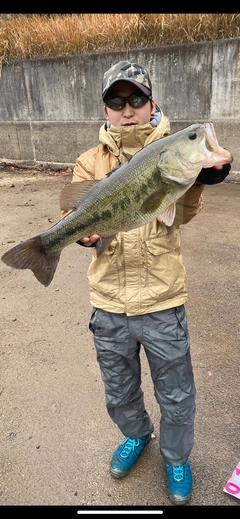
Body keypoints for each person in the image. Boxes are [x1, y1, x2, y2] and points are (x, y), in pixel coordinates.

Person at [65, 61, 231, 505]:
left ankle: (175, 457)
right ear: (105, 108)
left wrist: (205, 175)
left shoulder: (174, 151)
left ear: (152, 103)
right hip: (109, 304)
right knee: (118, 389)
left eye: (137, 99)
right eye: (117, 101)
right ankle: (136, 435)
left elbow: (184, 211)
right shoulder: (89, 161)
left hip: (162, 301)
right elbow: (77, 214)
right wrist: (80, 233)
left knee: (176, 393)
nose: (128, 109)